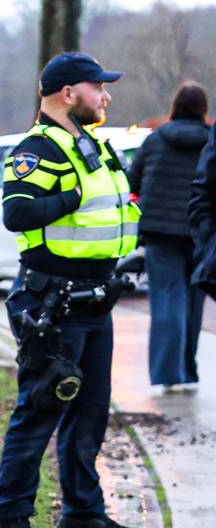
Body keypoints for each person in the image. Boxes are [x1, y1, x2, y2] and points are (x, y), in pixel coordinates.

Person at [0, 52, 144, 528]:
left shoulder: (91, 145)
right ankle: (13, 524)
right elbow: (17, 213)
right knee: (39, 411)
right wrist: (70, 198)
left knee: (90, 414)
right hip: (53, 303)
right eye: (98, 87)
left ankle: (83, 515)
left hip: (95, 299)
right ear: (68, 93)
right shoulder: (39, 149)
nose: (106, 95)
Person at [127, 82, 209, 393]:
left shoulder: (155, 140)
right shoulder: (211, 141)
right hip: (200, 235)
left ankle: (167, 372)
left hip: (160, 233)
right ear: (202, 109)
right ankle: (187, 371)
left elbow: (133, 181)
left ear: (175, 107)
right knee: (193, 303)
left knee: (167, 299)